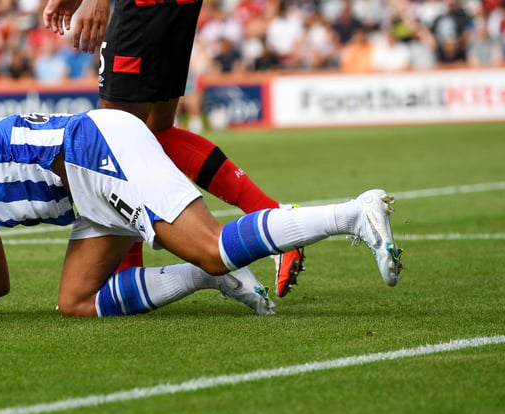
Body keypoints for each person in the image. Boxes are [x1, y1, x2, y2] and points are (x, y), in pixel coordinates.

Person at [0, 110, 404, 326]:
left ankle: (353, 213)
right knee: (75, 301)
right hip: (88, 192)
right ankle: (205, 278)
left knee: (211, 244)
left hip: (91, 151)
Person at [42, 0, 307, 298]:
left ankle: (125, 274)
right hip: (178, 7)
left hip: (143, 8)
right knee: (155, 134)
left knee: (113, 139)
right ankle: (274, 216)